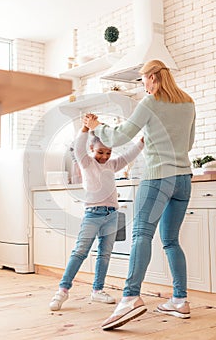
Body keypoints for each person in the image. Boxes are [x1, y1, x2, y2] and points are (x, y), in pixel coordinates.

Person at [84, 60, 196, 330]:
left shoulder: (150, 102)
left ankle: (130, 297)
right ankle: (180, 300)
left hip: (158, 177)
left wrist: (96, 125)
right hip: (184, 178)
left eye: (143, 79)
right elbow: (189, 143)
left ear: (154, 77)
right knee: (170, 241)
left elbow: (119, 136)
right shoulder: (189, 103)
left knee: (141, 236)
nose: (143, 83)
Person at [49, 122, 144, 311]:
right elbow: (78, 147)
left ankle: (97, 290)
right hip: (93, 214)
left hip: (111, 215)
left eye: (108, 152)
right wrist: (84, 130)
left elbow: (129, 155)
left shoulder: (113, 164)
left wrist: (141, 142)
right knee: (80, 251)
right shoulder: (87, 162)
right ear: (91, 149)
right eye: (100, 152)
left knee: (104, 254)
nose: (104, 156)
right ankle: (63, 290)